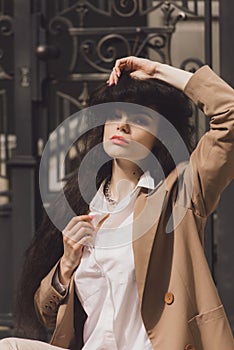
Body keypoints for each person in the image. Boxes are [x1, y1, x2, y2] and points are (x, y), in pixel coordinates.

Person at [0, 56, 234, 350]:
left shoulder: (179, 195)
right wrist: (66, 265)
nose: (122, 126)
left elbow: (230, 114)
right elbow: (43, 315)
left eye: (138, 119)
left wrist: (157, 70)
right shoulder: (84, 204)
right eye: (116, 115)